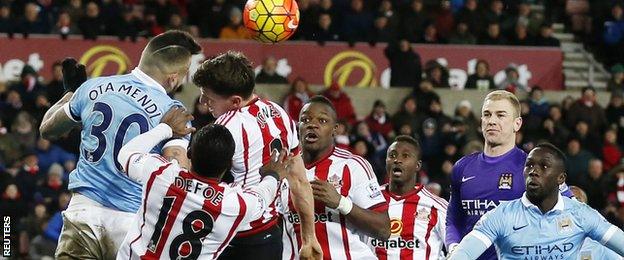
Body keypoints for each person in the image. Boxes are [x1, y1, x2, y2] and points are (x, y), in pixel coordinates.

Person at [39, 30, 202, 259]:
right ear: (173, 78)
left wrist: (71, 93)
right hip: (130, 223)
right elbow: (177, 170)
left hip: (83, 213)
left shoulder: (93, 88)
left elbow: (47, 129)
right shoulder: (173, 112)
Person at [192, 51, 322, 260]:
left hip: (230, 236)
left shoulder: (226, 127)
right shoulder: (280, 114)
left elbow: (197, 185)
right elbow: (299, 181)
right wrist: (309, 238)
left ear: (235, 101)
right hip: (268, 238)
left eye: (208, 97)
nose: (203, 101)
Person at [115, 107, 290, 259]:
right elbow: (261, 197)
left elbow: (126, 154)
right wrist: (273, 175)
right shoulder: (235, 204)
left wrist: (166, 129)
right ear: (228, 166)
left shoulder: (160, 173)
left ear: (189, 153)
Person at [446, 90, 573, 260]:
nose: (492, 121)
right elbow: (454, 219)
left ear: (517, 123)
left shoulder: (532, 167)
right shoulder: (462, 167)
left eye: (500, 115)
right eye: (487, 114)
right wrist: (454, 247)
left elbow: (573, 212)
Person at [448, 144, 624, 259]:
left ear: (561, 178)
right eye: (529, 165)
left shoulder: (581, 214)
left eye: (544, 166)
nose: (533, 171)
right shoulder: (500, 215)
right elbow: (464, 254)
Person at [281, 96, 389, 259]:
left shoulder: (353, 166)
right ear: (298, 127)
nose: (312, 124)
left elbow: (384, 229)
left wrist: (341, 203)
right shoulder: (283, 169)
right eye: (305, 119)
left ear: (335, 129)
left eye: (322, 120)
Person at [371, 135, 448, 259]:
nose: (397, 160)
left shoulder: (437, 206)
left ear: (418, 165)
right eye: (392, 155)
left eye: (405, 156)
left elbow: (458, 248)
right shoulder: (369, 200)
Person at [569, 186, 624, 260]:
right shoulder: (551, 235)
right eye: (567, 200)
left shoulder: (602, 241)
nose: (572, 203)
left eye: (577, 199)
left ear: (585, 206)